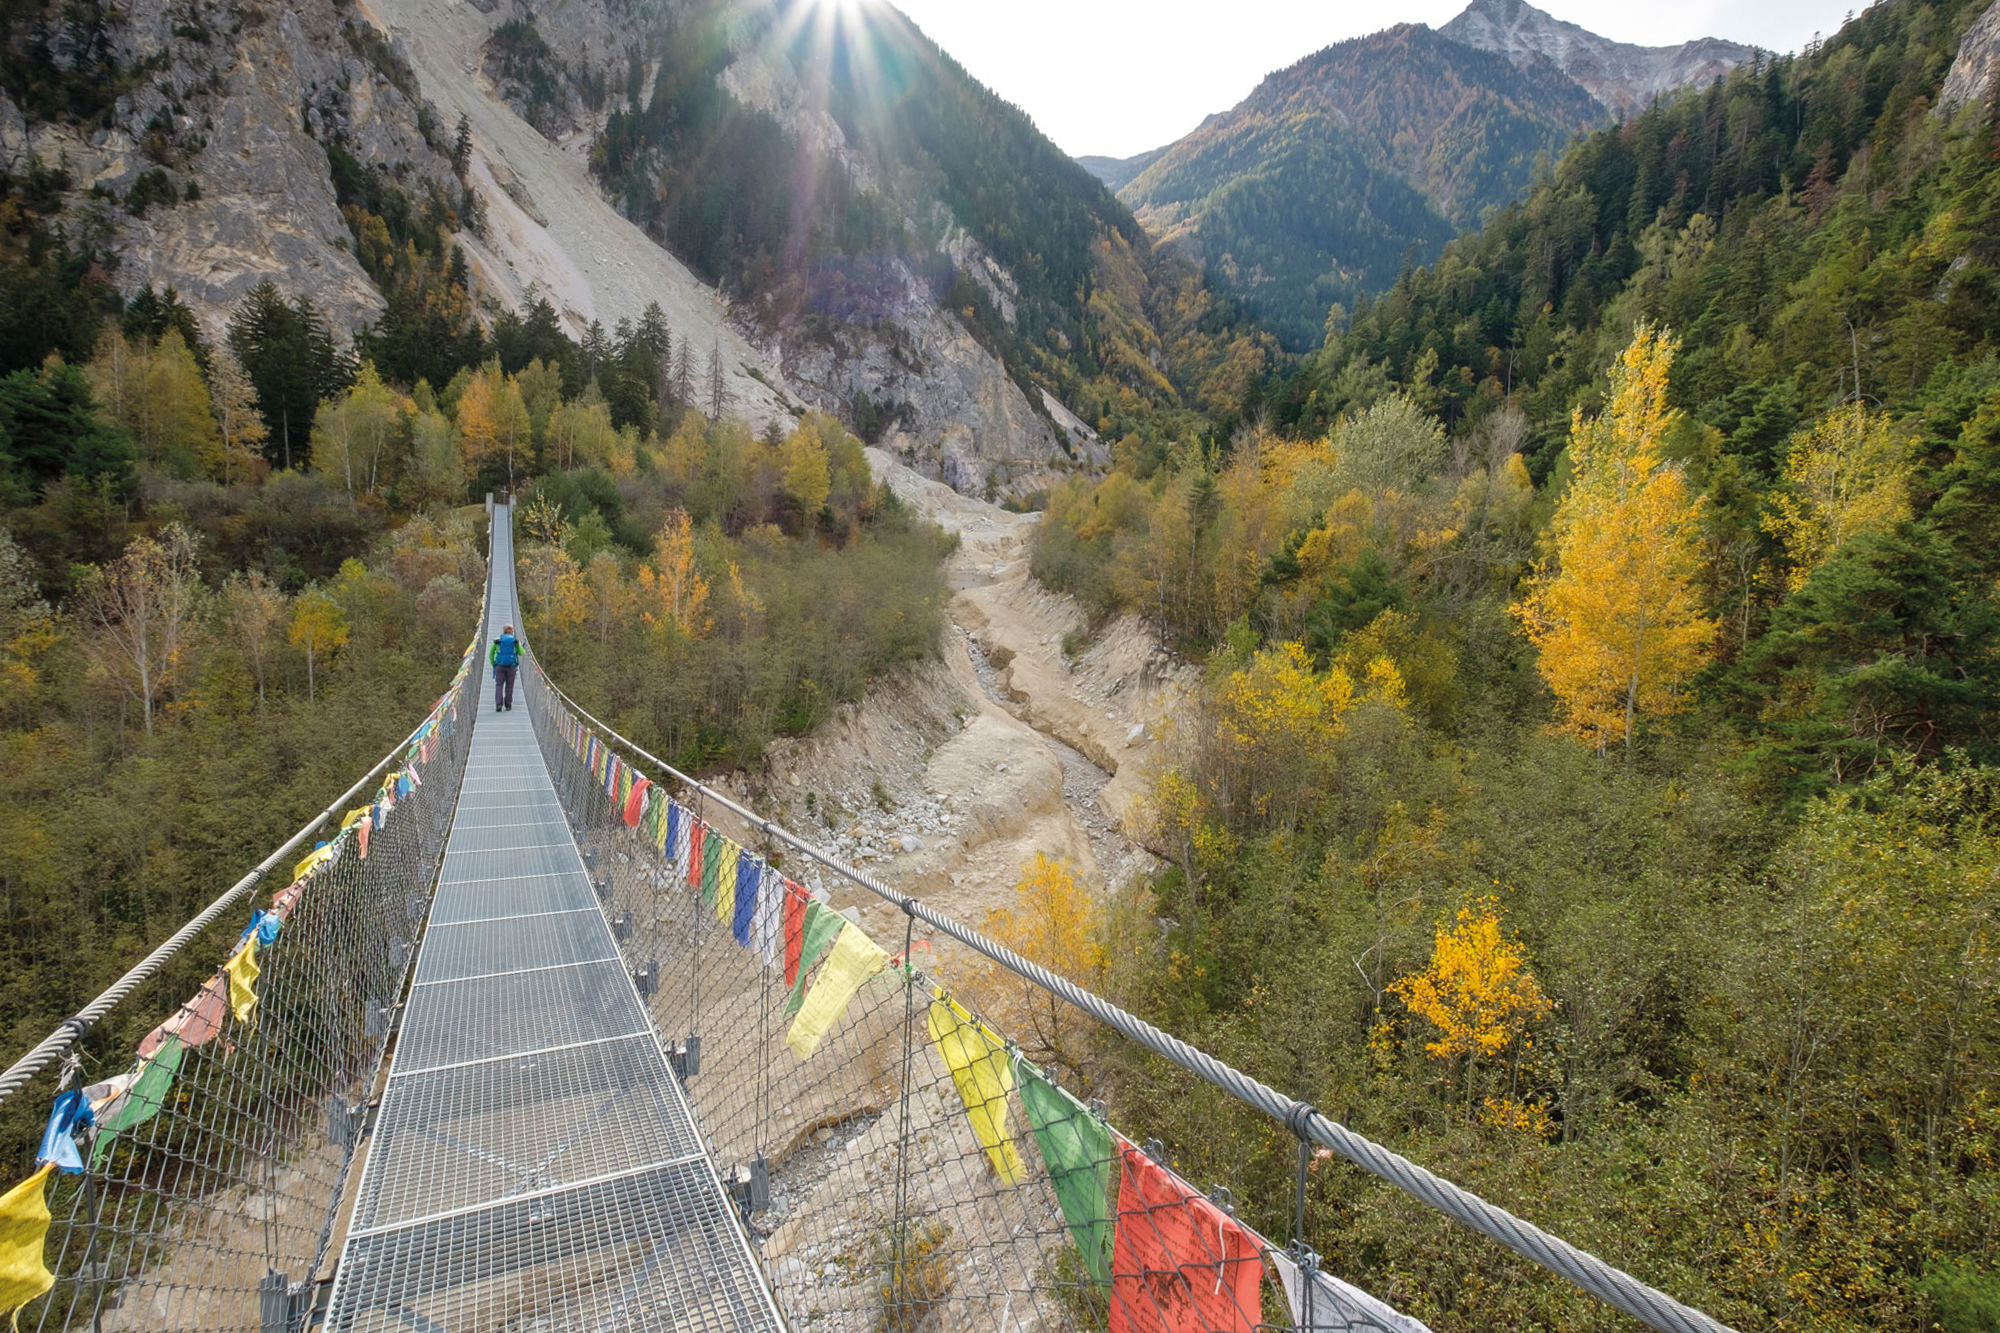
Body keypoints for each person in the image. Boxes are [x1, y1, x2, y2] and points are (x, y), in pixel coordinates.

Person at [490, 624, 519, 711]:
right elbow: (521, 652)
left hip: (499, 665)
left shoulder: (497, 641)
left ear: (503, 631)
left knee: (499, 685)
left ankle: (499, 704)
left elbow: (491, 654)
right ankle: (508, 705)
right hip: (511, 666)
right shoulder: (515, 641)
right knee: (509, 685)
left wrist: (493, 663)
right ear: (512, 631)